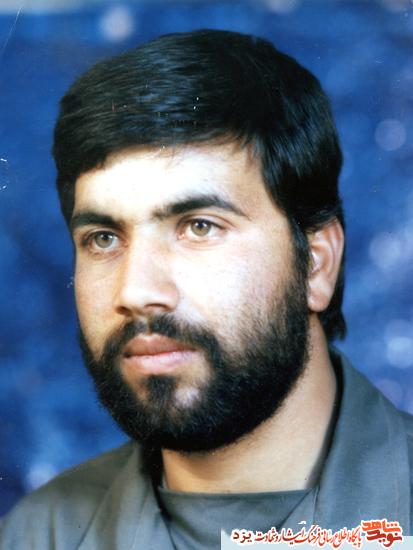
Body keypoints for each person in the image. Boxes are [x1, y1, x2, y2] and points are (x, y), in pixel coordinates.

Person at [1, 29, 412, 549]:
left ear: (317, 264)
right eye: (103, 238)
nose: (137, 291)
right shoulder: (34, 537)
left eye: (199, 227)